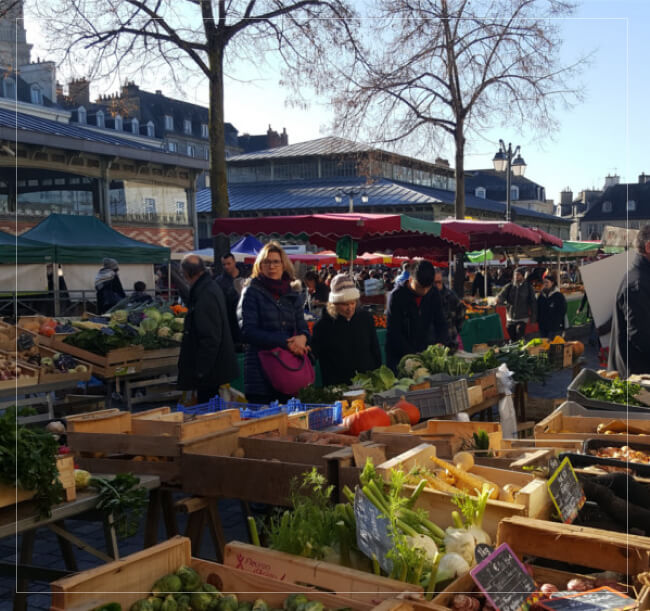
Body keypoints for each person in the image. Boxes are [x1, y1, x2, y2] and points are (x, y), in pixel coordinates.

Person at [238, 242, 310, 404]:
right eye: (267, 262)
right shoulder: (251, 292)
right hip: (260, 373)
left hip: (288, 370)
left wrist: (303, 338)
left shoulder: (292, 293)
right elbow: (247, 331)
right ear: (260, 265)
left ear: (283, 264)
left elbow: (302, 327)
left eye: (276, 261)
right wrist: (285, 342)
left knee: (290, 423)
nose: (272, 266)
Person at [177, 255, 238, 403]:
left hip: (210, 372)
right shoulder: (209, 287)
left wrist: (200, 371)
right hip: (214, 368)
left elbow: (210, 336)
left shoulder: (205, 293)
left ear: (187, 273)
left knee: (208, 411)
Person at [311, 274, 381, 386]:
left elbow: (375, 349)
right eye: (344, 304)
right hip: (338, 386)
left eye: (352, 303)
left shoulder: (365, 318)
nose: (350, 308)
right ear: (334, 304)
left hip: (367, 382)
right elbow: (314, 355)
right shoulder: (322, 326)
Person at [385, 260, 448, 372]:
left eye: (427, 287)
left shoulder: (433, 293)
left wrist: (440, 342)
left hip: (424, 352)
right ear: (410, 280)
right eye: (419, 287)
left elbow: (441, 322)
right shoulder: (396, 297)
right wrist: (413, 355)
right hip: (400, 357)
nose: (424, 291)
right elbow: (394, 332)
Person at [608, 225, 650, 377]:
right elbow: (641, 337)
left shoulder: (643, 278)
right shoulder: (638, 283)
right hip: (637, 378)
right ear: (649, 247)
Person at [496, 267, 536, 341]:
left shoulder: (528, 287)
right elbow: (501, 295)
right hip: (510, 316)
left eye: (518, 275)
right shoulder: (509, 286)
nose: (516, 277)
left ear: (523, 276)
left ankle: (520, 348)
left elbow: (533, 302)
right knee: (511, 335)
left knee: (519, 332)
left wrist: (533, 318)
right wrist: (499, 299)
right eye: (515, 275)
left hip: (523, 316)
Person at [216, 252, 246, 345]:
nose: (226, 267)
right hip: (230, 321)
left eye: (229, 263)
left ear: (234, 262)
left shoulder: (246, 276)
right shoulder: (219, 281)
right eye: (224, 264)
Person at [434, 270, 466, 350]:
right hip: (434, 343)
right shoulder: (427, 296)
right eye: (435, 282)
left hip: (450, 342)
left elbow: (461, 313)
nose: (437, 285)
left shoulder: (451, 295)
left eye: (439, 282)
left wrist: (455, 329)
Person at [536, 273, 567, 339]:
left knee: (553, 346)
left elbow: (563, 310)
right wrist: (538, 320)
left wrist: (557, 321)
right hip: (543, 326)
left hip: (554, 327)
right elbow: (537, 309)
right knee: (544, 345)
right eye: (544, 282)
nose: (545, 284)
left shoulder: (558, 296)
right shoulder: (541, 296)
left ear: (552, 283)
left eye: (547, 282)